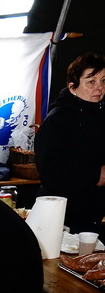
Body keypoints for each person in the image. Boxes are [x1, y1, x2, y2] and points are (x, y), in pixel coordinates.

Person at [35, 52, 105, 238]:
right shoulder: (57, 120)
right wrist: (96, 175)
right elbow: (50, 172)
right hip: (61, 216)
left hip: (92, 214)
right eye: (91, 81)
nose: (99, 87)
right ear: (72, 87)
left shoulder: (100, 115)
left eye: (103, 81)